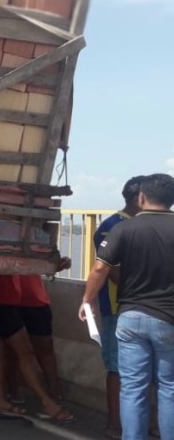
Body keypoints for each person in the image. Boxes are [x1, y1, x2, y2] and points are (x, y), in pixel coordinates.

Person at [80, 173, 174, 440]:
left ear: (142, 197)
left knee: (132, 387)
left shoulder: (123, 228)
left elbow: (100, 268)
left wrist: (87, 300)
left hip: (130, 317)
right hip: (168, 318)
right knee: (169, 387)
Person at [92, 176, 145, 439]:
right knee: (117, 369)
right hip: (117, 308)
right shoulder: (112, 226)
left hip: (141, 307)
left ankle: (152, 426)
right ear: (140, 198)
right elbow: (112, 272)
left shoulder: (141, 225)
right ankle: (114, 423)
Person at [0, 273, 74, 422]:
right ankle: (46, 401)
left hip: (4, 302)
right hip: (2, 304)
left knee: (2, 350)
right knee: (24, 354)